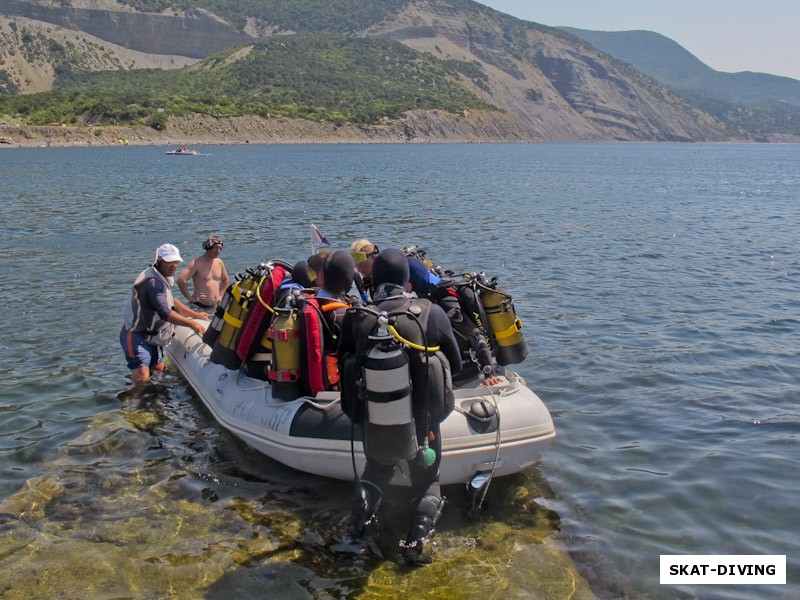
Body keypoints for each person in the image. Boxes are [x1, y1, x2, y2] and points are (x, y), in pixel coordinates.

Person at [337, 249, 462, 565]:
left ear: (373, 280)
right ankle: (414, 545)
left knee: (374, 473)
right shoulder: (429, 313)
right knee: (427, 484)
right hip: (422, 426)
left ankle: (353, 537)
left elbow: (342, 366)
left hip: (374, 422)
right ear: (407, 281)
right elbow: (456, 365)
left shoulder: (357, 317)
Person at [408, 258, 504, 387]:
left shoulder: (446, 302)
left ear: (410, 283)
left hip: (466, 369)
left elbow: (476, 337)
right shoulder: (426, 293)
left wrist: (488, 373)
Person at [121, 244, 208, 384]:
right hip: (137, 335)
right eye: (169, 263)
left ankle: (156, 401)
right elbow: (165, 313)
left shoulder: (161, 277)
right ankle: (134, 403)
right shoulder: (153, 282)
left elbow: (171, 301)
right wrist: (192, 323)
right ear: (159, 261)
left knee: (159, 370)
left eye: (176, 263)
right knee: (143, 378)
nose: (173, 267)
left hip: (153, 337)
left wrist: (195, 315)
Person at [177, 236, 229, 314]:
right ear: (208, 247)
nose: (218, 251)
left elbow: (225, 280)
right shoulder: (196, 263)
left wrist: (221, 295)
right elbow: (181, 280)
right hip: (199, 306)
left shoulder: (219, 262)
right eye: (216, 248)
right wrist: (190, 298)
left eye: (220, 248)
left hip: (215, 305)